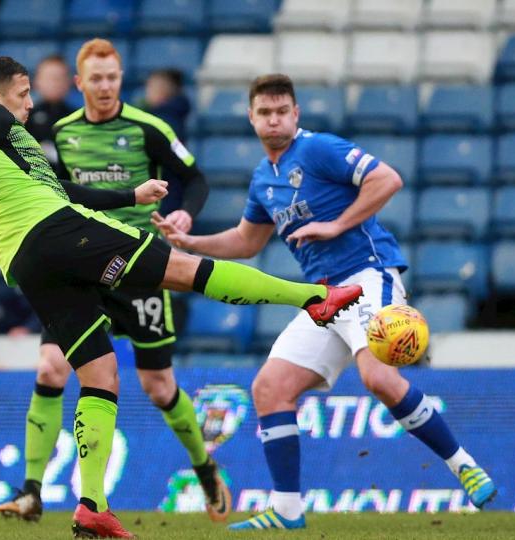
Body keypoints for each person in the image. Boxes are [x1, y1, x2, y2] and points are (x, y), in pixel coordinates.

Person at [0, 55, 361, 539]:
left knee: (100, 374)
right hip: (59, 234)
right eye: (22, 94)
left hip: (27, 263)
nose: (30, 103)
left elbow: (61, 190)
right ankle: (312, 297)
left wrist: (131, 196)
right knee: (183, 270)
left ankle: (92, 505)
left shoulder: (5, 147)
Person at [152, 74, 496, 531]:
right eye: (265, 112)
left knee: (378, 377)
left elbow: (387, 179)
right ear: (251, 118)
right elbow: (246, 241)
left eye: (282, 111)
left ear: (295, 114)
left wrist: (336, 225)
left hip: (367, 275)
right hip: (324, 296)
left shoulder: (317, 149)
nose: (274, 120)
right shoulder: (263, 178)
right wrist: (190, 242)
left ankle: (463, 465)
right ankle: (287, 509)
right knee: (269, 388)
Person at [0, 38, 227, 525]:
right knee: (50, 369)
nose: (105, 87)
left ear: (121, 79)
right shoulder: (61, 133)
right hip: (80, 267)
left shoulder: (149, 128)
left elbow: (196, 179)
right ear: (79, 83)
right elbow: (57, 191)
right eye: (96, 79)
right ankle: (31, 491)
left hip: (139, 269)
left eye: (112, 78)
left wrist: (185, 213)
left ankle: (205, 467)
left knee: (159, 387)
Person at [141, 68, 192, 217]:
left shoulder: (159, 123)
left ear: (161, 91)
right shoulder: (175, 119)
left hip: (162, 197)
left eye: (150, 87)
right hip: (172, 192)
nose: (146, 92)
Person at [24, 55, 73, 166]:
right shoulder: (24, 118)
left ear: (69, 81)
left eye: (59, 78)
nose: (54, 83)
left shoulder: (78, 118)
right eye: (49, 78)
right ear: (37, 81)